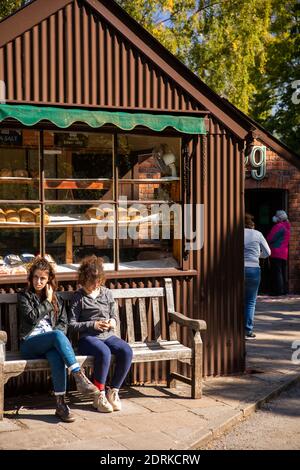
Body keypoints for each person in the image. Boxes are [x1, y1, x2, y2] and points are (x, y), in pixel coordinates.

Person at [18, 256, 99, 423]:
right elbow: (32, 317)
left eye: (42, 278)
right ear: (31, 277)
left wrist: (51, 300)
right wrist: (47, 301)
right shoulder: (24, 296)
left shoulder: (58, 300)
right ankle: (78, 375)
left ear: (49, 280)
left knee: (56, 355)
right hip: (29, 345)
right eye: (35, 277)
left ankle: (61, 405)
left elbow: (63, 324)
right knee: (56, 336)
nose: (38, 281)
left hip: (50, 345)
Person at [69, 256, 133, 413]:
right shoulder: (78, 298)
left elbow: (115, 316)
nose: (95, 285)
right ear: (84, 278)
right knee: (104, 352)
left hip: (108, 335)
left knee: (126, 350)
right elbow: (72, 324)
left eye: (98, 281)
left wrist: (112, 322)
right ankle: (99, 395)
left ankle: (114, 391)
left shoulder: (107, 293)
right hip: (87, 339)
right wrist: (93, 324)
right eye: (92, 281)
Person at [244, 213, 271, 339]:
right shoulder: (257, 234)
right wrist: (257, 256)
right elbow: (268, 252)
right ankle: (247, 331)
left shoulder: (236, 233)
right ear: (252, 224)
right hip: (253, 268)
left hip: (238, 269)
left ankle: (232, 328)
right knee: (250, 301)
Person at [267, 210, 291, 296]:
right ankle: (283, 290)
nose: (274, 217)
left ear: (279, 218)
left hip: (276, 252)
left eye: (276, 216)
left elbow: (270, 238)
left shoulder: (278, 226)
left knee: (276, 272)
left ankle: (278, 291)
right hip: (284, 252)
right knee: (282, 272)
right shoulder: (287, 226)